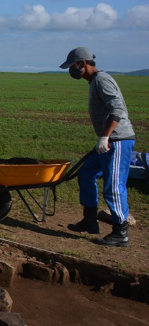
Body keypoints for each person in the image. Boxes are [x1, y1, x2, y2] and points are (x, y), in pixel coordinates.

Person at [60, 47, 135, 247]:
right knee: (86, 173)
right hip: (108, 141)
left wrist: (105, 136)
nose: (71, 71)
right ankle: (90, 220)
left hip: (118, 140)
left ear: (82, 63)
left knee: (114, 185)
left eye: (72, 66)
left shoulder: (102, 80)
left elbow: (117, 108)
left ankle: (121, 232)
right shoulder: (94, 82)